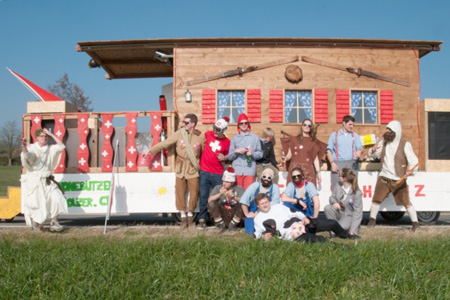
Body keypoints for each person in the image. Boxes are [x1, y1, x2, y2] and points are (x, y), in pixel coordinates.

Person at [143, 114, 205, 228]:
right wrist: (151, 151)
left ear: (193, 124)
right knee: (180, 193)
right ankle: (183, 218)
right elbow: (165, 143)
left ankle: (190, 216)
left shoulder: (200, 136)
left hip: (193, 168)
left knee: (195, 192)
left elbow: (205, 153)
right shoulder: (179, 133)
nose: (183, 124)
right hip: (180, 168)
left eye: (186, 123)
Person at [367, 121, 420, 231]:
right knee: (376, 200)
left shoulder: (405, 144)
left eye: (389, 130)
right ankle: (372, 222)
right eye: (387, 129)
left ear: (396, 131)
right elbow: (373, 154)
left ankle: (415, 224)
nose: (387, 131)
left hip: (398, 178)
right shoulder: (384, 142)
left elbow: (413, 161)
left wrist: (411, 171)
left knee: (406, 202)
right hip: (384, 176)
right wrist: (372, 150)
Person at [20, 128, 68, 232]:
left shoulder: (50, 148)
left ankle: (54, 222)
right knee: (38, 204)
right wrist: (23, 146)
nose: (44, 138)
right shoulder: (32, 148)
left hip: (47, 180)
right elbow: (27, 156)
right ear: (37, 138)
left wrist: (51, 134)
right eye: (42, 136)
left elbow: (62, 146)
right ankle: (36, 225)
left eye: (46, 136)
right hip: (34, 181)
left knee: (56, 197)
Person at [253, 193, 350, 242]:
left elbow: (296, 212)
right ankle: (341, 246)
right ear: (258, 206)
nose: (265, 205)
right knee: (317, 239)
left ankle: (347, 235)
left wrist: (304, 218)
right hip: (291, 233)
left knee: (331, 223)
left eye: (266, 202)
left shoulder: (278, 206)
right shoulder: (258, 219)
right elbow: (257, 233)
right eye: (262, 204)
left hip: (302, 223)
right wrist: (263, 237)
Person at [197, 117, 231, 228]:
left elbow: (229, 157)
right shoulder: (208, 134)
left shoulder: (227, 142)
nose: (215, 131)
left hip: (217, 172)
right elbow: (198, 140)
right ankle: (202, 218)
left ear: (224, 130)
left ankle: (218, 218)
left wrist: (225, 157)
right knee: (203, 195)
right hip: (205, 171)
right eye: (215, 128)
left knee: (219, 196)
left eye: (218, 129)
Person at [281, 119, 327, 186]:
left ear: (311, 128)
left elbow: (315, 159)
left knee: (307, 193)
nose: (306, 127)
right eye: (305, 125)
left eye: (309, 126)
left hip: (308, 171)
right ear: (302, 126)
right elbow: (289, 155)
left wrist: (318, 173)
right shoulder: (294, 140)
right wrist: (284, 160)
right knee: (293, 193)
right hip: (295, 171)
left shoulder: (313, 142)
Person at [326, 115, 364, 189]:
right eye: (350, 124)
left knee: (353, 188)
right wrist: (332, 163)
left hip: (352, 164)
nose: (351, 126)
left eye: (353, 125)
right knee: (337, 188)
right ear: (344, 123)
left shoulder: (354, 135)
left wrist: (359, 151)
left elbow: (361, 146)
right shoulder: (334, 135)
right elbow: (328, 150)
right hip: (338, 164)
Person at [324, 168, 363, 238]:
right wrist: (334, 203)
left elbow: (358, 212)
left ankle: (342, 230)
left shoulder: (357, 192)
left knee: (339, 228)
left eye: (340, 175)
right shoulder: (338, 185)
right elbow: (332, 197)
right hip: (339, 212)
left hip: (349, 215)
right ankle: (333, 233)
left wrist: (353, 231)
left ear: (345, 178)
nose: (338, 176)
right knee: (327, 208)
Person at [227, 113, 263, 190]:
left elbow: (260, 154)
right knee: (237, 194)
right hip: (237, 170)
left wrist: (252, 154)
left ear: (248, 124)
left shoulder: (255, 138)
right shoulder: (234, 139)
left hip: (249, 170)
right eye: (241, 123)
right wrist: (236, 151)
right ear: (238, 125)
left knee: (248, 194)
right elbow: (230, 157)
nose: (244, 125)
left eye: (245, 123)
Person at [240, 168, 280, 234]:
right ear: (261, 177)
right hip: (253, 210)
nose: (266, 179)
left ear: (272, 179)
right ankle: (251, 233)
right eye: (264, 176)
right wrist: (247, 214)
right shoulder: (255, 185)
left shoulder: (275, 187)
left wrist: (259, 211)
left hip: (268, 210)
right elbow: (244, 199)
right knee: (249, 226)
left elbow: (275, 203)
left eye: (269, 177)